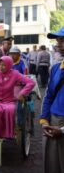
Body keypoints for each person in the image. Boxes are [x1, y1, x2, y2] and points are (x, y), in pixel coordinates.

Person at [0, 56, 35, 138]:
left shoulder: (15, 73)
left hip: (9, 101)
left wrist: (22, 93)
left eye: (4, 65)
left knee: (10, 110)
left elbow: (31, 82)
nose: (1, 67)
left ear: (9, 65)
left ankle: (8, 134)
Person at [40, 27, 64, 173]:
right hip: (53, 122)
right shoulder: (56, 68)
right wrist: (44, 120)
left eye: (62, 40)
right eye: (58, 41)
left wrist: (62, 130)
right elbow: (49, 96)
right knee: (52, 166)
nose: (58, 44)